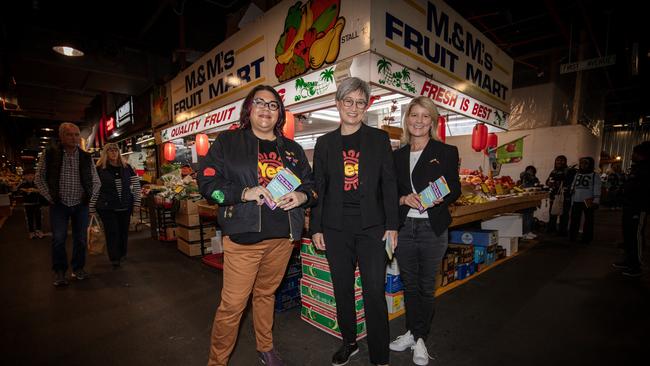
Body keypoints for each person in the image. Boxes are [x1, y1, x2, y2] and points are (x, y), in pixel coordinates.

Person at [198, 85, 316, 366]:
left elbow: (313, 186)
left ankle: (265, 347)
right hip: (243, 239)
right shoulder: (228, 142)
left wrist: (301, 196)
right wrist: (243, 193)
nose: (266, 108)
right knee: (233, 306)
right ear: (249, 109)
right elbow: (207, 183)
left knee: (266, 295)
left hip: (283, 239)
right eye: (259, 103)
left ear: (280, 113)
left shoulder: (292, 149)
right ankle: (217, 361)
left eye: (273, 105)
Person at [310, 77, 398, 366]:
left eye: (360, 102)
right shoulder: (324, 144)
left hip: (372, 227)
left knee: (374, 291)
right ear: (338, 104)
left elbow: (389, 184)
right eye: (348, 101)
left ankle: (380, 356)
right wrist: (316, 227)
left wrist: (393, 226)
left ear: (366, 106)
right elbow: (318, 188)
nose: (354, 107)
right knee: (342, 289)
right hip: (336, 228)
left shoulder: (379, 139)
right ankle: (349, 342)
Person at [389, 97, 460, 365]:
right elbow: (389, 191)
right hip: (405, 226)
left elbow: (454, 186)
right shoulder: (396, 155)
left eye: (425, 116)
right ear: (406, 120)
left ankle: (420, 338)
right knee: (409, 284)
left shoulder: (446, 151)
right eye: (414, 115)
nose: (418, 121)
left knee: (426, 287)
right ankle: (411, 332)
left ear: (432, 121)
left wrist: (443, 195)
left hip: (432, 226)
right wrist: (403, 199)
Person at [35, 122, 101, 286]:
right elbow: (39, 178)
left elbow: (96, 181)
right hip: (59, 205)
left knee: (80, 239)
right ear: (61, 137)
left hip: (81, 205)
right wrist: (50, 197)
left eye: (76, 135)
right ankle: (59, 272)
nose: (74, 138)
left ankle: (78, 268)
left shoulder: (86, 157)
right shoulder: (50, 154)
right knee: (58, 238)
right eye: (69, 134)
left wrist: (90, 202)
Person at [90, 143, 141, 268]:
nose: (113, 153)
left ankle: (122, 253)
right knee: (112, 232)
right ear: (105, 153)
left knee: (123, 231)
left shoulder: (127, 167)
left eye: (115, 150)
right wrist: (91, 206)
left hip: (125, 204)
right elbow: (95, 189)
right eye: (110, 150)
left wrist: (137, 202)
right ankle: (114, 257)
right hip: (107, 206)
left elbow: (136, 186)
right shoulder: (99, 169)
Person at [612, 141, 650, 277]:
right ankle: (629, 260)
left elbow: (641, 190)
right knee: (628, 235)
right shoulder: (637, 168)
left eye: (634, 153)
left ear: (642, 154)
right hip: (629, 206)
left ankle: (636, 265)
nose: (631, 155)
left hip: (638, 208)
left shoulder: (646, 169)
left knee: (636, 235)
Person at [569, 157, 601, 244]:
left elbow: (597, 188)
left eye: (586, 163)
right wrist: (572, 194)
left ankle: (587, 238)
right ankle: (572, 236)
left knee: (589, 220)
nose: (583, 165)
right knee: (574, 219)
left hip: (588, 200)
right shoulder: (577, 174)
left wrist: (596, 200)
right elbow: (573, 185)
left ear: (590, 164)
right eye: (582, 163)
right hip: (577, 199)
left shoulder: (595, 175)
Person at [18, 169, 44, 239]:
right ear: (24, 176)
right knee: (30, 218)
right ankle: (31, 232)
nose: (30, 176)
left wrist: (35, 190)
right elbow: (18, 189)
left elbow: (42, 190)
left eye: (32, 175)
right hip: (27, 204)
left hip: (37, 203)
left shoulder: (37, 183)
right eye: (27, 175)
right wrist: (25, 190)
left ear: (34, 175)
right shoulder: (22, 183)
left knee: (38, 217)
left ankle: (39, 230)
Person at [546, 155, 568, 233]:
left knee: (563, 214)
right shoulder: (553, 171)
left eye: (562, 160)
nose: (559, 162)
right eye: (558, 160)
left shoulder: (567, 171)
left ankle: (562, 231)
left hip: (563, 195)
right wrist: (548, 183)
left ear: (565, 162)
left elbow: (568, 182)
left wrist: (557, 182)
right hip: (553, 194)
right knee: (552, 212)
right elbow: (548, 180)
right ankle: (551, 228)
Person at [519, 165, 540, 240]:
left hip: (532, 200)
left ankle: (529, 231)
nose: (530, 172)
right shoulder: (523, 177)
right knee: (525, 217)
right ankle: (524, 233)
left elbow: (537, 186)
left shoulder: (535, 179)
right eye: (528, 170)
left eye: (532, 171)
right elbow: (521, 176)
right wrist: (526, 175)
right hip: (525, 201)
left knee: (530, 216)